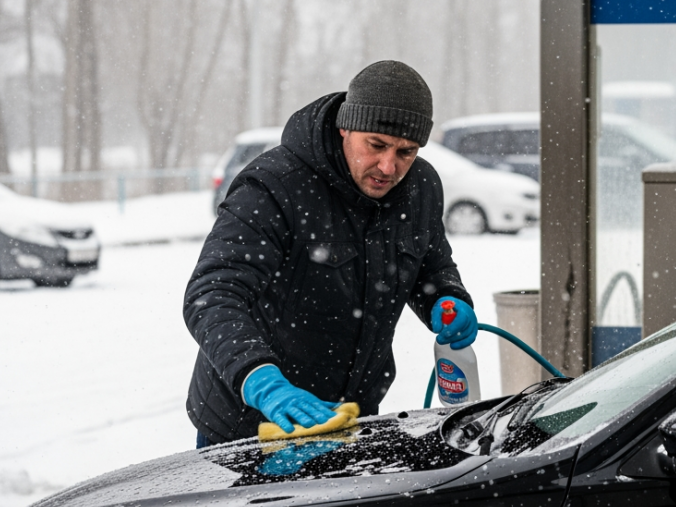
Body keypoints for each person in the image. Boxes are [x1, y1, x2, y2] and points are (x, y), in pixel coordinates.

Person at [184, 61, 477, 446]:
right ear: (345, 126)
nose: (388, 166)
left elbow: (430, 263)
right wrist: (261, 380)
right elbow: (213, 294)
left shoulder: (420, 185)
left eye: (406, 152)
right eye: (376, 145)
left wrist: (446, 297)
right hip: (250, 428)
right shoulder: (275, 186)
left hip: (348, 420)